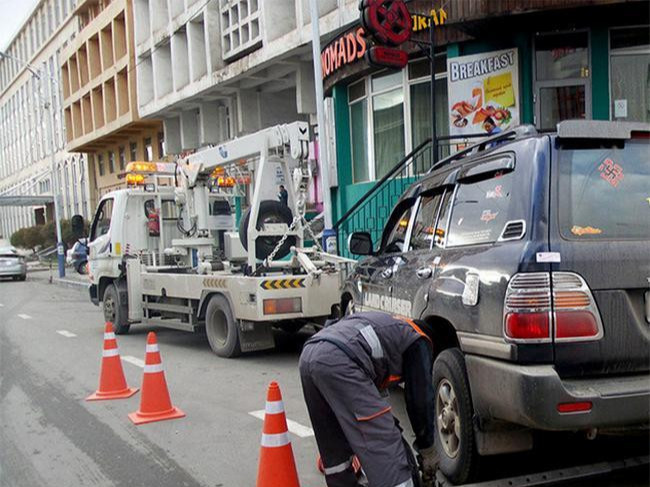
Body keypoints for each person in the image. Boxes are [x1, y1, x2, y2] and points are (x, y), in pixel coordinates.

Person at [299, 311, 438, 487]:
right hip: (341, 359)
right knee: (384, 441)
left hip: (309, 354)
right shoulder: (418, 338)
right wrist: (428, 449)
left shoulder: (388, 327)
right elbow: (421, 400)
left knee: (333, 441)